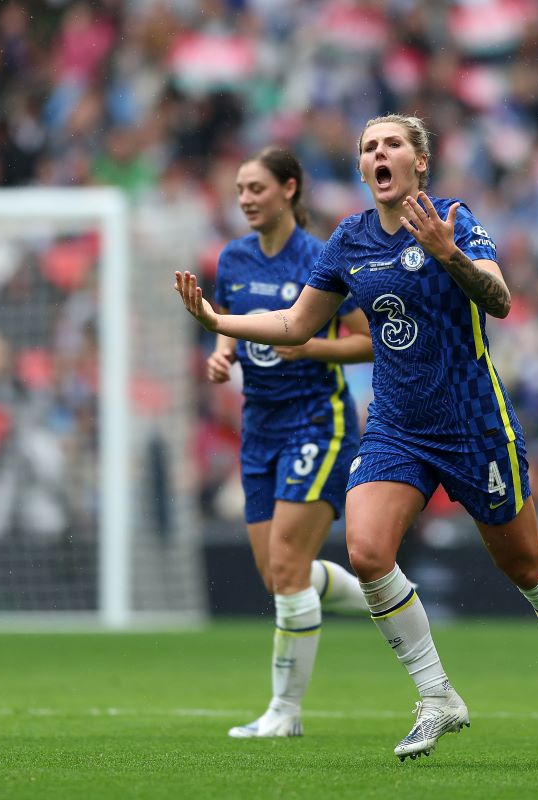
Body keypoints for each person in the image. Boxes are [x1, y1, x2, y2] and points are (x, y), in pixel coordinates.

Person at [175, 115, 538, 765]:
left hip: (472, 421)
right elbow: (297, 324)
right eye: (368, 147)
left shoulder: (453, 219)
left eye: (392, 144)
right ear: (361, 168)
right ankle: (437, 697)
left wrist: (448, 254)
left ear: (420, 161)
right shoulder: (349, 239)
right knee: (368, 550)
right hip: (396, 425)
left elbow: (500, 301)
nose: (379, 153)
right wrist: (219, 321)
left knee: (523, 564)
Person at [207, 147, 374, 739]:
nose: (246, 199)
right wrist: (222, 353)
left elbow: (368, 341)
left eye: (256, 187)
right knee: (280, 574)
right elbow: (231, 322)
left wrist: (311, 347)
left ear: (289, 189)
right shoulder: (233, 258)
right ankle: (381, 594)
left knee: (286, 565)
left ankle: (285, 712)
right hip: (260, 427)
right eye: (240, 189)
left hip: (317, 419)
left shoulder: (322, 259)